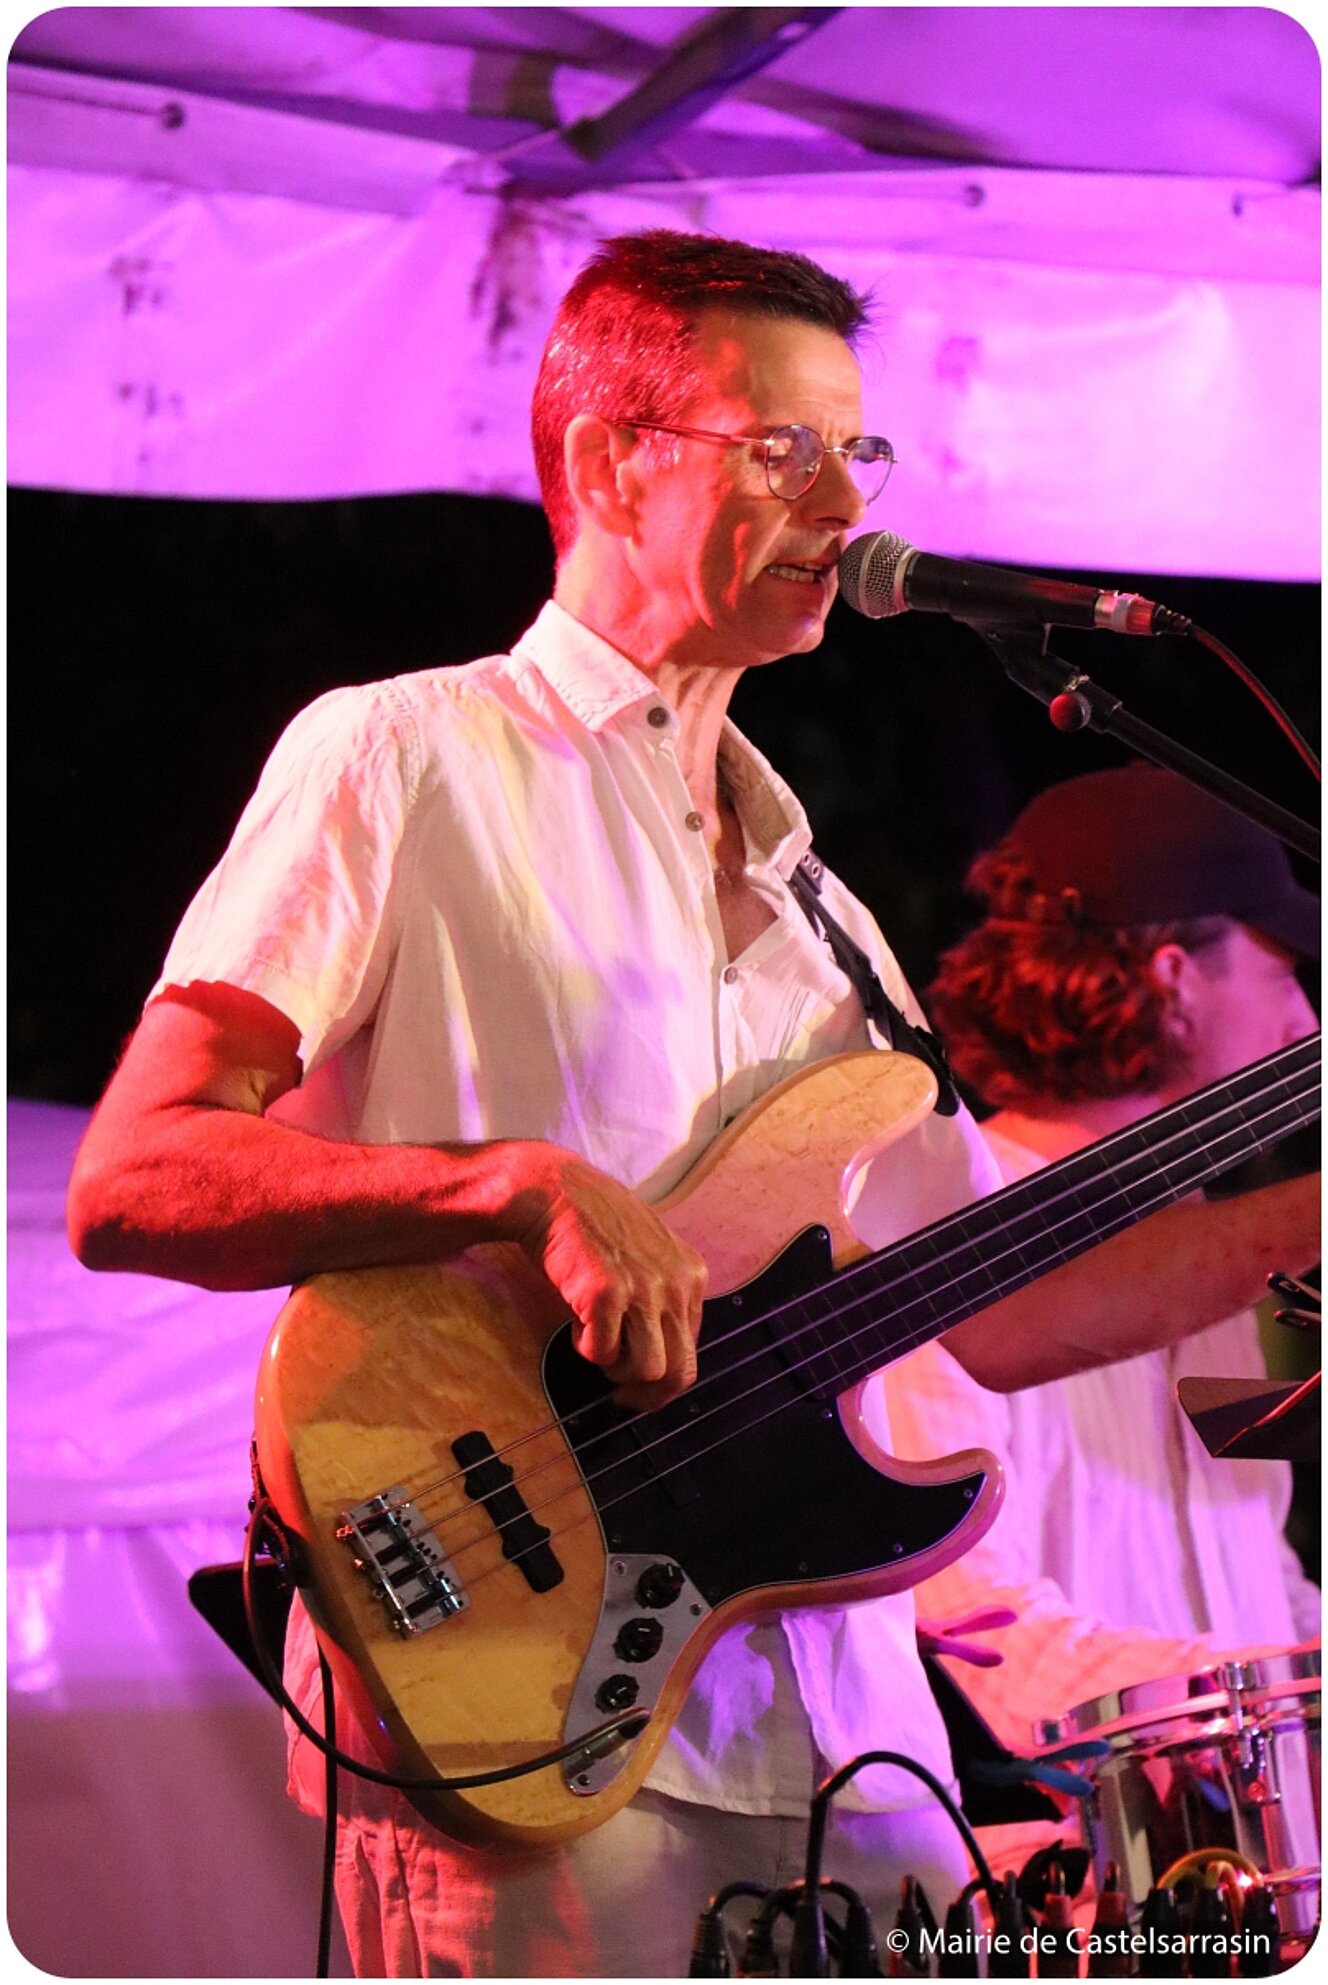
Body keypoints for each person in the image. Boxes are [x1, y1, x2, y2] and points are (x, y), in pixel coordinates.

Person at [66, 232, 1319, 1977]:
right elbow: (133, 1176)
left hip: (845, 1746)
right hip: (520, 1712)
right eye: (781, 447)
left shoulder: (823, 908)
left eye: (856, 451)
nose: (843, 500)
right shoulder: (406, 756)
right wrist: (516, 1186)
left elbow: (1010, 1308)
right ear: (606, 463)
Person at [884, 764, 1319, 1876]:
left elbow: (1253, 1562)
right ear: (1173, 974)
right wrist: (1238, 1708)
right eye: (1283, 974)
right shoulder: (949, 1220)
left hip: (1257, 1852)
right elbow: (976, 1610)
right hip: (1090, 1875)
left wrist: (1296, 1673)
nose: (1305, 1022)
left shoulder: (1208, 1246)